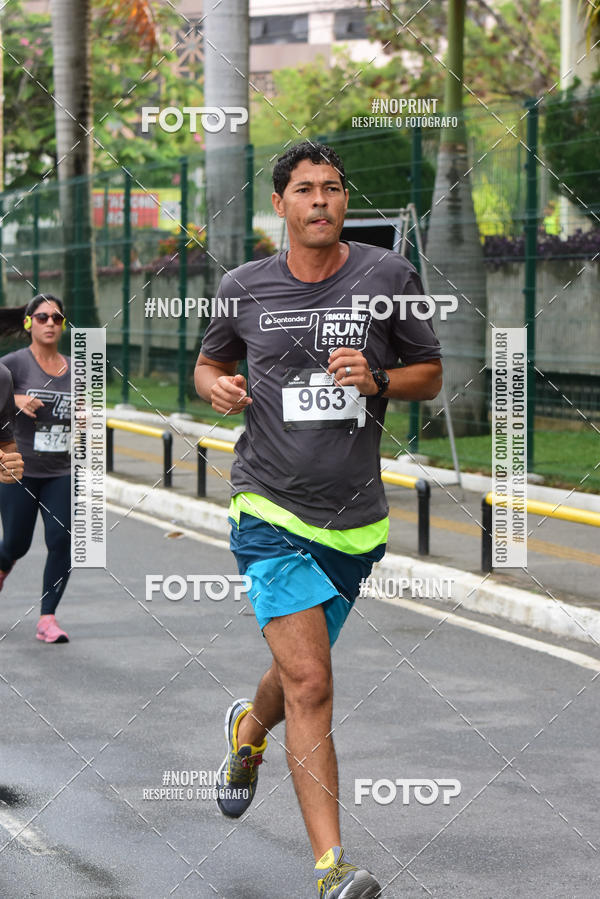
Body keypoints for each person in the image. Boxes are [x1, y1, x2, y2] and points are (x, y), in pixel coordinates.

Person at [195, 142, 443, 897]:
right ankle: (332, 867)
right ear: (281, 204)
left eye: (333, 189)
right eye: (305, 190)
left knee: (292, 673)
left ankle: (246, 732)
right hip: (267, 503)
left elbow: (430, 373)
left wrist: (379, 377)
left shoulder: (388, 276)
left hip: (355, 520)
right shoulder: (242, 286)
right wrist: (218, 387)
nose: (321, 202)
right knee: (310, 679)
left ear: (344, 200)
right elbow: (207, 362)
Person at [0, 294, 72, 643]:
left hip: (60, 470)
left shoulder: (76, 367)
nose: (50, 324)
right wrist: (13, 399)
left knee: (63, 540)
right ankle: (2, 566)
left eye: (57, 318)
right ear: (29, 323)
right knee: (16, 543)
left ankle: (47, 618)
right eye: (42, 317)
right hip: (19, 469)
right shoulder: (13, 364)